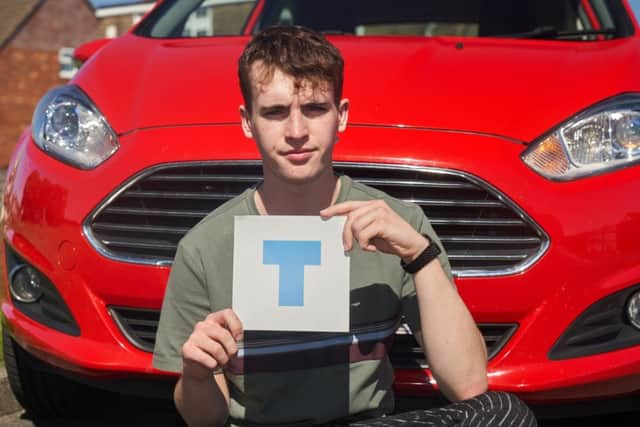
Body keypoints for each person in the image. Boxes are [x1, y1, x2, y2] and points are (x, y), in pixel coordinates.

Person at [153, 26, 537, 427]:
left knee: (504, 413)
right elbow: (204, 422)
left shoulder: (399, 225)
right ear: (248, 121)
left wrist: (419, 256)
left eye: (315, 109)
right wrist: (197, 373)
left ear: (343, 116)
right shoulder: (203, 246)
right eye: (275, 112)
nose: (297, 132)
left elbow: (469, 386)